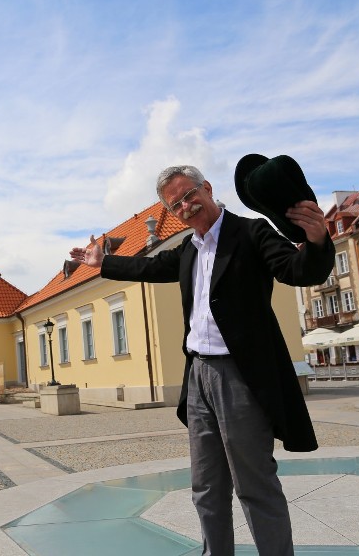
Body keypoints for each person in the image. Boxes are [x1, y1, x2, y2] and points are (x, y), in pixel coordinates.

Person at [69, 162, 334, 555]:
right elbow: (148, 266)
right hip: (198, 376)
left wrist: (316, 243)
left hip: (239, 376)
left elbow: (295, 270)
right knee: (206, 487)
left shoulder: (251, 233)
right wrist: (101, 262)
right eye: (176, 205)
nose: (186, 207)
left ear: (207, 188)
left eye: (189, 195)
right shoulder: (188, 249)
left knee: (254, 483)